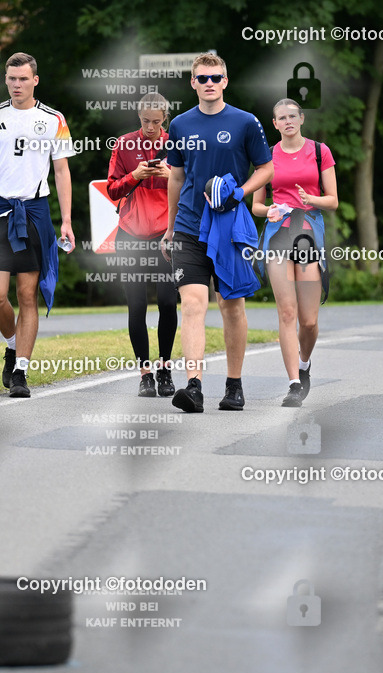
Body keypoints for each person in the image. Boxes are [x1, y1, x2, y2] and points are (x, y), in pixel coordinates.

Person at [161, 53, 273, 413]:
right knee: (193, 304)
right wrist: (169, 227)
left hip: (229, 228)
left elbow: (266, 167)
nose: (209, 83)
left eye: (216, 77)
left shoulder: (246, 122)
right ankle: (193, 387)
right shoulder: (179, 124)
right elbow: (176, 177)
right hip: (190, 227)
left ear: (226, 81)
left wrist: (241, 192)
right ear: (192, 83)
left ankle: (234, 385)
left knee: (231, 307)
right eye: (203, 78)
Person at [0, 52, 76, 398]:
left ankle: (22, 372)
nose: (16, 85)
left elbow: (61, 171)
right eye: (11, 78)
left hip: (35, 212)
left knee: (27, 294)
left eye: (23, 79)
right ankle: (12, 345)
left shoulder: (53, 119)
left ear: (35, 80)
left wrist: (67, 221)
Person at [251, 98, 338, 407]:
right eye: (280, 118)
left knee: (309, 321)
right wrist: (269, 210)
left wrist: (310, 199)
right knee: (287, 312)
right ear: (274, 124)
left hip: (308, 234)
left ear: (301, 119)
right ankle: (293, 384)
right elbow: (257, 205)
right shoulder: (267, 156)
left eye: (292, 116)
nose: (287, 121)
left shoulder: (319, 152)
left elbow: (333, 201)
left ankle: (304, 364)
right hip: (278, 235)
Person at [106, 92, 178, 398]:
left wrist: (170, 174)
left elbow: (188, 186)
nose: (151, 127)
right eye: (146, 121)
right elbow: (111, 189)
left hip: (166, 233)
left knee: (167, 303)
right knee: (136, 306)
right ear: (139, 116)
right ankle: (145, 374)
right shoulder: (124, 144)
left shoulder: (175, 142)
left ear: (165, 118)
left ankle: (164, 369)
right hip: (131, 234)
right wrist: (135, 175)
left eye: (157, 122)